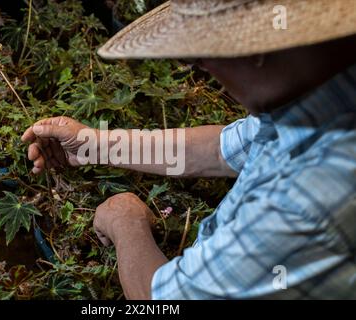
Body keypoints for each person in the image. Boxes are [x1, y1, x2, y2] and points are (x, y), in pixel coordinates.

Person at [21, 0, 356, 299]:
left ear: (255, 51)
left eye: (196, 58)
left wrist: (126, 224)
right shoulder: (326, 93)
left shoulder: (308, 196)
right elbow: (219, 150)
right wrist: (96, 145)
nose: (203, 70)